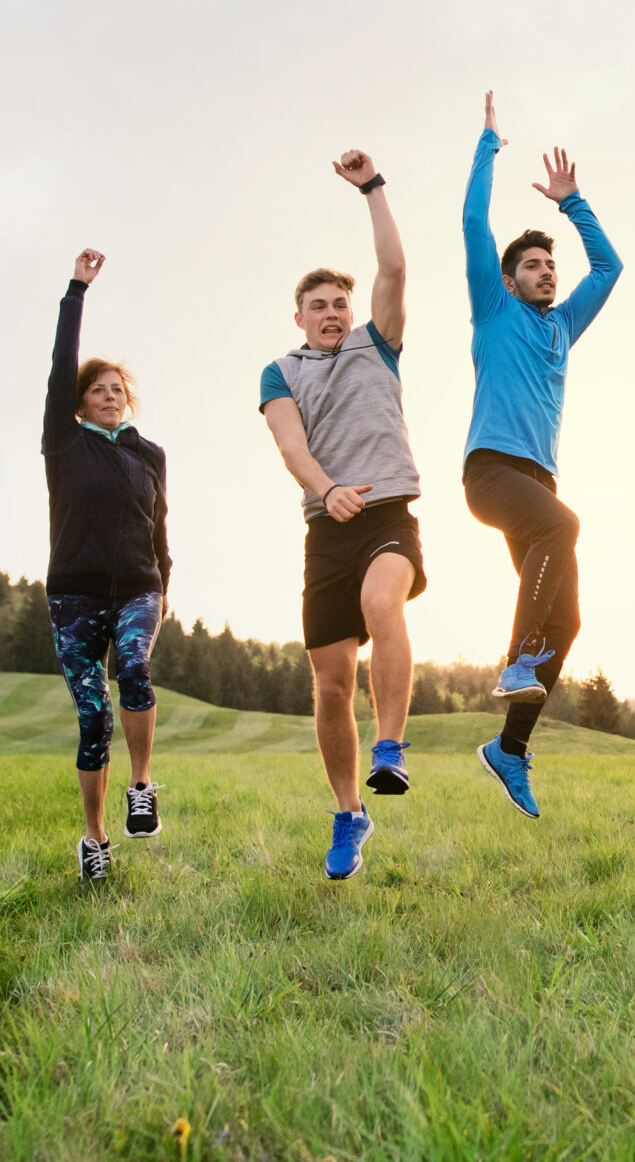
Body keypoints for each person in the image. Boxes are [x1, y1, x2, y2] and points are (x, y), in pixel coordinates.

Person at [259, 148, 424, 882]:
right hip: (326, 525)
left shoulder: (377, 346)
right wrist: (327, 489)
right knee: (329, 683)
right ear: (298, 316)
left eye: (339, 304)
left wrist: (372, 189)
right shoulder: (281, 370)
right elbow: (291, 445)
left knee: (381, 599)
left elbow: (393, 269)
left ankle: (391, 746)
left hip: (387, 510)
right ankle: (348, 810)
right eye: (318, 305)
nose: (331, 313)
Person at [462, 91, 624, 818]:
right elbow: (472, 221)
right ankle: (518, 655)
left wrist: (574, 203)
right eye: (531, 265)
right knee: (563, 526)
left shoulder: (562, 326)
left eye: (548, 266)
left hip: (538, 478)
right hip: (490, 471)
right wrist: (490, 144)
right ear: (508, 278)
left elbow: (610, 267)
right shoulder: (493, 311)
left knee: (572, 622)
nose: (545, 271)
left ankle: (511, 749)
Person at [43, 249, 171, 884]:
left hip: (139, 590)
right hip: (73, 595)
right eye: (97, 389)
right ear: (79, 402)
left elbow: (161, 529)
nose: (108, 396)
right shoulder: (63, 444)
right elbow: (62, 364)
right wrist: (76, 292)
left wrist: (162, 588)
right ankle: (94, 838)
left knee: (134, 666)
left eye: (117, 389)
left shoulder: (151, 455)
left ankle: (142, 784)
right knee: (92, 715)